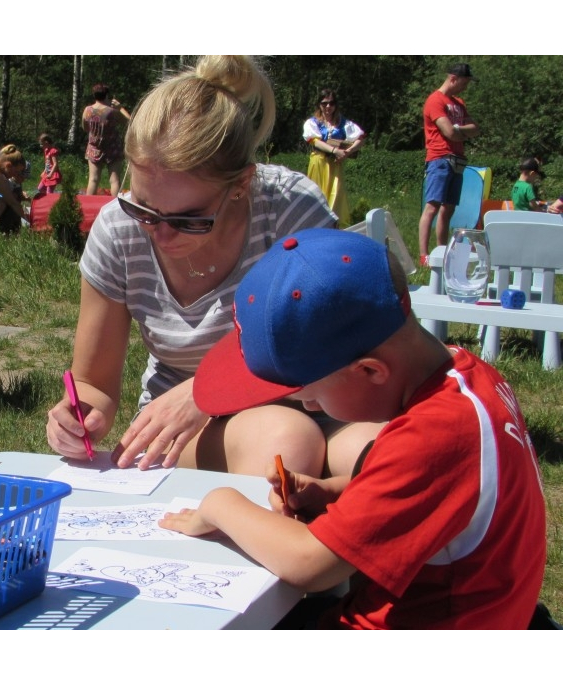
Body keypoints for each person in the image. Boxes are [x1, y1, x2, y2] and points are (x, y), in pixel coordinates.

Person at [159, 228, 546, 629]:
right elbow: (439, 492)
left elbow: (311, 564)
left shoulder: (433, 435)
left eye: (309, 394)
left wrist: (222, 504)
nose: (308, 406)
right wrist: (330, 491)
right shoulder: (466, 381)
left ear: (369, 371)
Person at [45, 55, 383, 479]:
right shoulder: (118, 229)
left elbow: (341, 343)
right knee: (287, 445)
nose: (160, 235)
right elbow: (93, 382)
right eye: (144, 209)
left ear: (242, 184)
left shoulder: (288, 211)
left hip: (320, 401)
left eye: (189, 219)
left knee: (391, 455)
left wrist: (208, 391)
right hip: (188, 425)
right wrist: (79, 418)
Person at [418, 63, 480, 267]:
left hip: (458, 159)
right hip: (440, 158)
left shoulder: (459, 103)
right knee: (432, 207)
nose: (466, 87)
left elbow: (475, 129)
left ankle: (442, 252)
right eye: (464, 82)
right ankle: (424, 255)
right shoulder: (435, 100)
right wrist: (459, 130)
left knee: (449, 209)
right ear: (453, 78)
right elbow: (449, 132)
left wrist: (457, 128)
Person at [302, 88, 365, 228]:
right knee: (317, 196)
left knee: (335, 197)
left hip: (335, 164)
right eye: (324, 103)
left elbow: (360, 138)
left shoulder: (343, 123)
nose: (328, 107)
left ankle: (334, 227)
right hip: (319, 162)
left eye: (331, 103)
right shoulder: (313, 123)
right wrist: (334, 150)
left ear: (336, 105)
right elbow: (315, 141)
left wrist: (347, 152)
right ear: (319, 105)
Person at [82, 84, 131, 197]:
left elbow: (85, 127)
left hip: (94, 147)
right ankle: (114, 206)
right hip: (112, 147)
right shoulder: (111, 111)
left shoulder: (87, 110)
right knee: (114, 180)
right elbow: (129, 121)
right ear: (107, 95)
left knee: (93, 179)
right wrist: (120, 107)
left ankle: (88, 206)